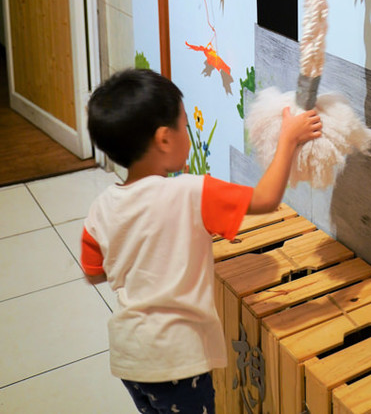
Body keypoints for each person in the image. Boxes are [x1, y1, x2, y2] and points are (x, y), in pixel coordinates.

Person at [80, 68, 322, 414]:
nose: (188, 134)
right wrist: (288, 139)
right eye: (184, 125)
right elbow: (266, 198)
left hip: (129, 357)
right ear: (164, 139)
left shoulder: (100, 207)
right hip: (177, 363)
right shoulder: (191, 192)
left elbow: (93, 273)